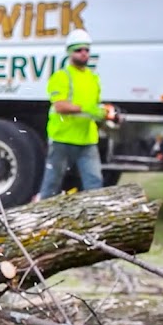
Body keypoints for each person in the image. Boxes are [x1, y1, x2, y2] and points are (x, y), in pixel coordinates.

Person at [36, 28, 118, 201]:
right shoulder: (61, 76)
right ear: (69, 52)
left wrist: (104, 115)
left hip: (87, 140)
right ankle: (39, 218)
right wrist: (86, 108)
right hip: (62, 139)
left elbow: (95, 108)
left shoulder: (93, 78)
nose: (83, 54)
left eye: (86, 50)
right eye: (79, 50)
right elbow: (60, 105)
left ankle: (96, 220)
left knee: (94, 183)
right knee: (52, 184)